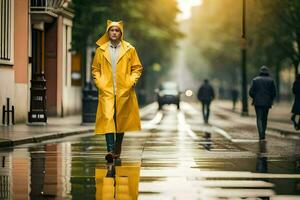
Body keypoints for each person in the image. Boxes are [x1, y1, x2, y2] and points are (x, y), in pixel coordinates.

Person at [92, 20, 143, 176]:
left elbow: (137, 68)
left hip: (124, 90)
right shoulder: (101, 50)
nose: (114, 33)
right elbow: (95, 69)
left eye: (117, 30)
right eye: (112, 30)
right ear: (108, 32)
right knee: (108, 117)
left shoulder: (130, 49)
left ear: (121, 33)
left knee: (121, 119)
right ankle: (110, 150)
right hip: (107, 90)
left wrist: (131, 81)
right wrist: (100, 83)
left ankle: (117, 147)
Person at [249, 66, 276, 141]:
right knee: (265, 118)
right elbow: (274, 93)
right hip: (267, 102)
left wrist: (255, 97)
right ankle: (263, 133)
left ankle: (261, 135)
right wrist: (270, 98)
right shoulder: (271, 80)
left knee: (259, 118)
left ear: (260, 72)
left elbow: (251, 92)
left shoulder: (255, 80)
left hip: (257, 102)